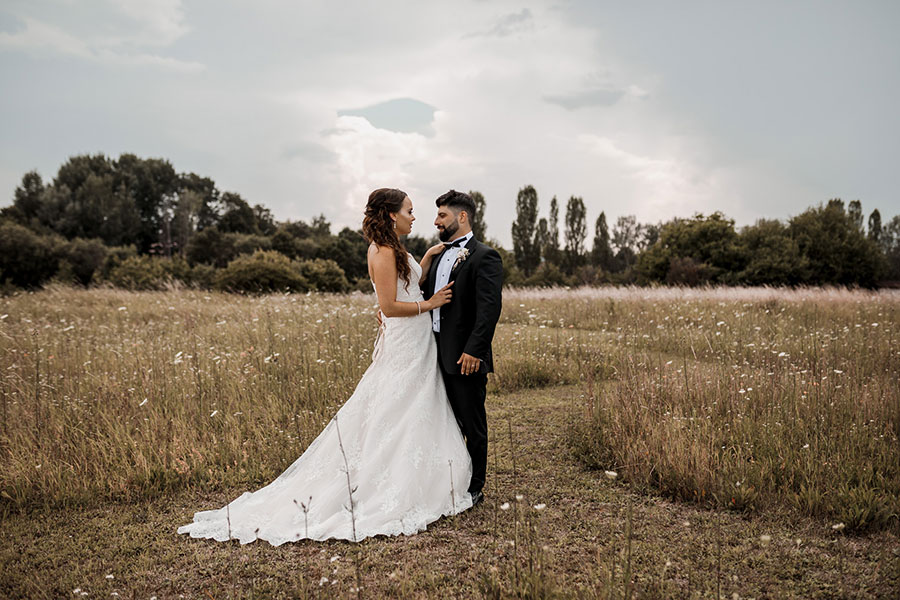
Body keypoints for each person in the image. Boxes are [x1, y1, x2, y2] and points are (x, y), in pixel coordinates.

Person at [178, 188, 473, 545]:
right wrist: (432, 304)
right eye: (409, 211)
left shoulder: (397, 249)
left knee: (414, 406)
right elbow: (391, 306)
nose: (415, 217)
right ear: (392, 215)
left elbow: (408, 285)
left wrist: (425, 258)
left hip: (417, 341)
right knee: (394, 407)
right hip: (405, 339)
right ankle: (381, 480)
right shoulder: (380, 252)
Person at [423, 190, 503, 506]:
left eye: (442, 215)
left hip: (465, 355)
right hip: (433, 353)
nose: (436, 221)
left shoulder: (485, 256)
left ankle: (474, 487)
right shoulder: (439, 255)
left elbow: (489, 308)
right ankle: (449, 481)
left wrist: (475, 350)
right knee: (445, 422)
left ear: (462, 216)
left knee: (472, 423)